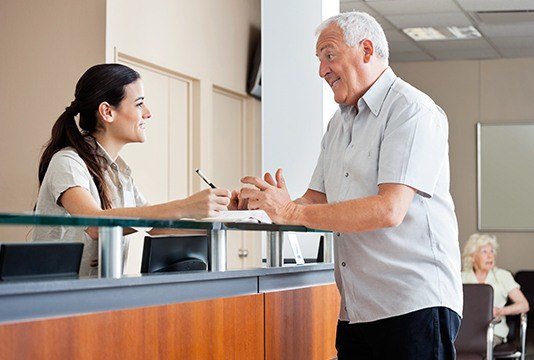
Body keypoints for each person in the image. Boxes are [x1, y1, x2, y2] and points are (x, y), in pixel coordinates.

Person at [238, 12, 463, 359]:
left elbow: (389, 210)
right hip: (357, 310)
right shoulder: (339, 124)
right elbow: (315, 200)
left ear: (367, 50)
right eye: (319, 60)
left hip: (413, 304)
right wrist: (266, 206)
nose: (321, 70)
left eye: (329, 55)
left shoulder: (411, 111)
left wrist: (290, 210)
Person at [33, 64, 236, 276]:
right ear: (107, 112)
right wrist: (185, 206)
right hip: (55, 298)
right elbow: (95, 224)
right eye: (139, 104)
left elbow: (156, 226)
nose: (148, 113)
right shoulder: (66, 162)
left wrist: (227, 214)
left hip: (97, 295)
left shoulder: (120, 173)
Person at [462, 233, 529, 345]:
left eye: (492, 251)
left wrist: (500, 311)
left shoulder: (503, 275)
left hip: (493, 331)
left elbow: (524, 305)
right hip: (464, 331)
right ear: (473, 257)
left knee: (479, 344)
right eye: (484, 252)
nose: (490, 256)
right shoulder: (461, 277)